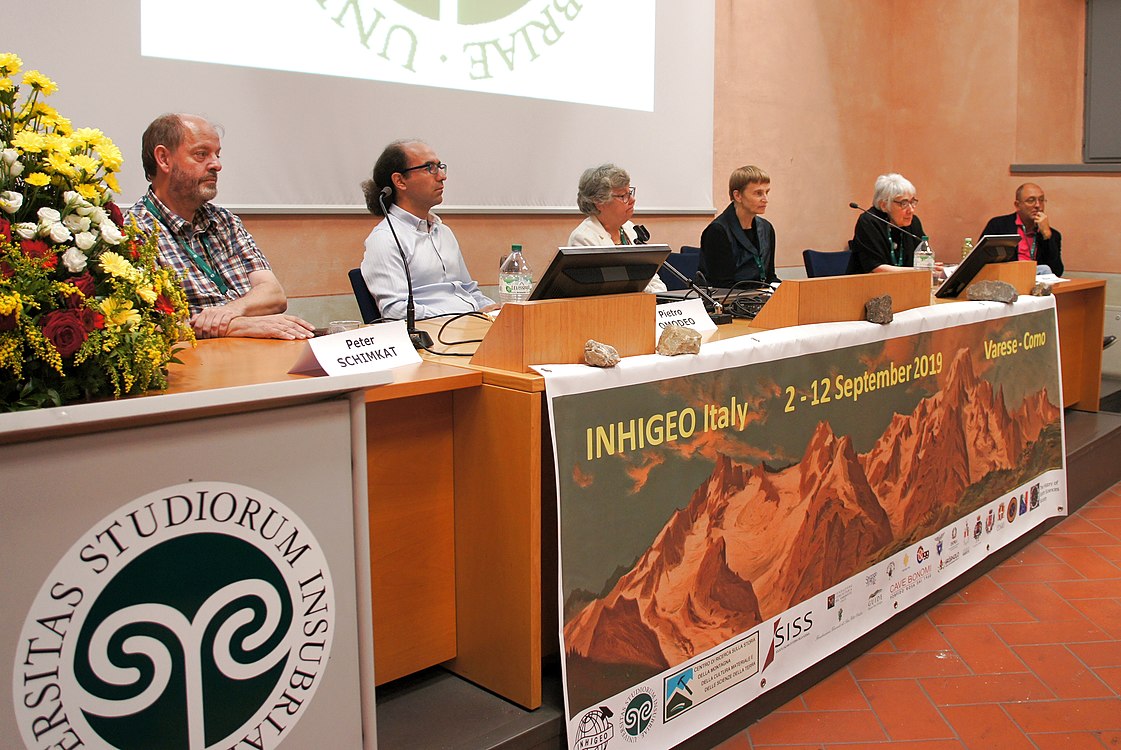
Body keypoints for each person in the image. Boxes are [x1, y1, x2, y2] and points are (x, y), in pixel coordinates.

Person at [129, 114, 314, 340]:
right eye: (201, 154)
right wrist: (234, 326)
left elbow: (274, 295)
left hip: (255, 351)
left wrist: (231, 311)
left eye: (217, 154)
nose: (217, 165)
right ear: (164, 159)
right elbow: (144, 328)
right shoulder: (133, 232)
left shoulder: (226, 221)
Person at [360, 140, 496, 320]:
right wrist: (465, 316)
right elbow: (395, 311)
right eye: (429, 168)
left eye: (440, 167)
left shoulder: (444, 232)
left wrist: (495, 311)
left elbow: (469, 290)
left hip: (469, 324)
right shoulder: (385, 238)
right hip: (436, 332)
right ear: (400, 181)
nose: (442, 176)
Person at [568, 164, 667, 294]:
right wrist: (650, 293)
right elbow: (615, 288)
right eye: (623, 196)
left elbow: (654, 282)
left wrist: (658, 296)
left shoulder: (629, 228)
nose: (632, 200)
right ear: (599, 202)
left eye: (630, 193)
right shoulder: (583, 239)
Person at [699, 165, 780, 287]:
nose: (765, 199)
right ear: (738, 196)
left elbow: (770, 276)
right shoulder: (717, 231)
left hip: (760, 295)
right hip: (729, 297)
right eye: (758, 193)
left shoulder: (766, 228)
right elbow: (722, 285)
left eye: (767, 192)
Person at [849, 173, 934, 275]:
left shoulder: (913, 222)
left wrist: (933, 269)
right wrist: (920, 270)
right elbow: (876, 268)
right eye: (904, 203)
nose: (911, 210)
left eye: (912, 202)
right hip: (868, 283)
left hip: (907, 282)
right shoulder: (869, 222)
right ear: (884, 205)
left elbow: (923, 259)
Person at [980, 182, 1063, 276]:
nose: (1038, 205)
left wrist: (1047, 236)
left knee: (1045, 269)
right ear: (1017, 205)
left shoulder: (1053, 234)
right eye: (1031, 200)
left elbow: (1056, 272)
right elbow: (981, 261)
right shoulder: (999, 225)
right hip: (1006, 278)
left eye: (1041, 200)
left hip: (1038, 282)